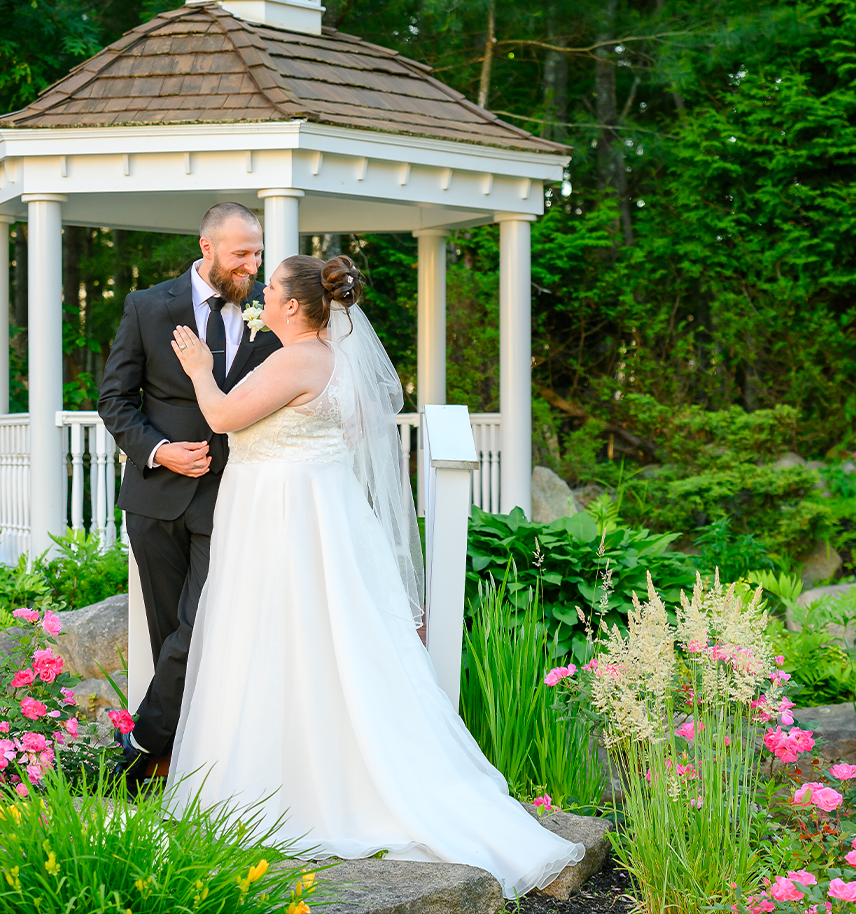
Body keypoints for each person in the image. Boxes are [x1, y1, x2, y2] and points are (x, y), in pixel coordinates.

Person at [163, 254, 584, 898]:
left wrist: (199, 369)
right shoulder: (332, 361)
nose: (263, 295)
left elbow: (222, 418)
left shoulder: (297, 357)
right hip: (320, 514)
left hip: (285, 520)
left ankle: (291, 789)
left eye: (272, 288)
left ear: (297, 306)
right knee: (331, 649)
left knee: (281, 642)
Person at [98, 202, 282, 785]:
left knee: (201, 625)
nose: (252, 265)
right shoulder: (148, 306)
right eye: (242, 254)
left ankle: (136, 747)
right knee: (165, 633)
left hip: (234, 497)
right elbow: (115, 400)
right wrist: (158, 449)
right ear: (207, 248)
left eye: (257, 253)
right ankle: (174, 763)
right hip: (155, 496)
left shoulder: (271, 313)